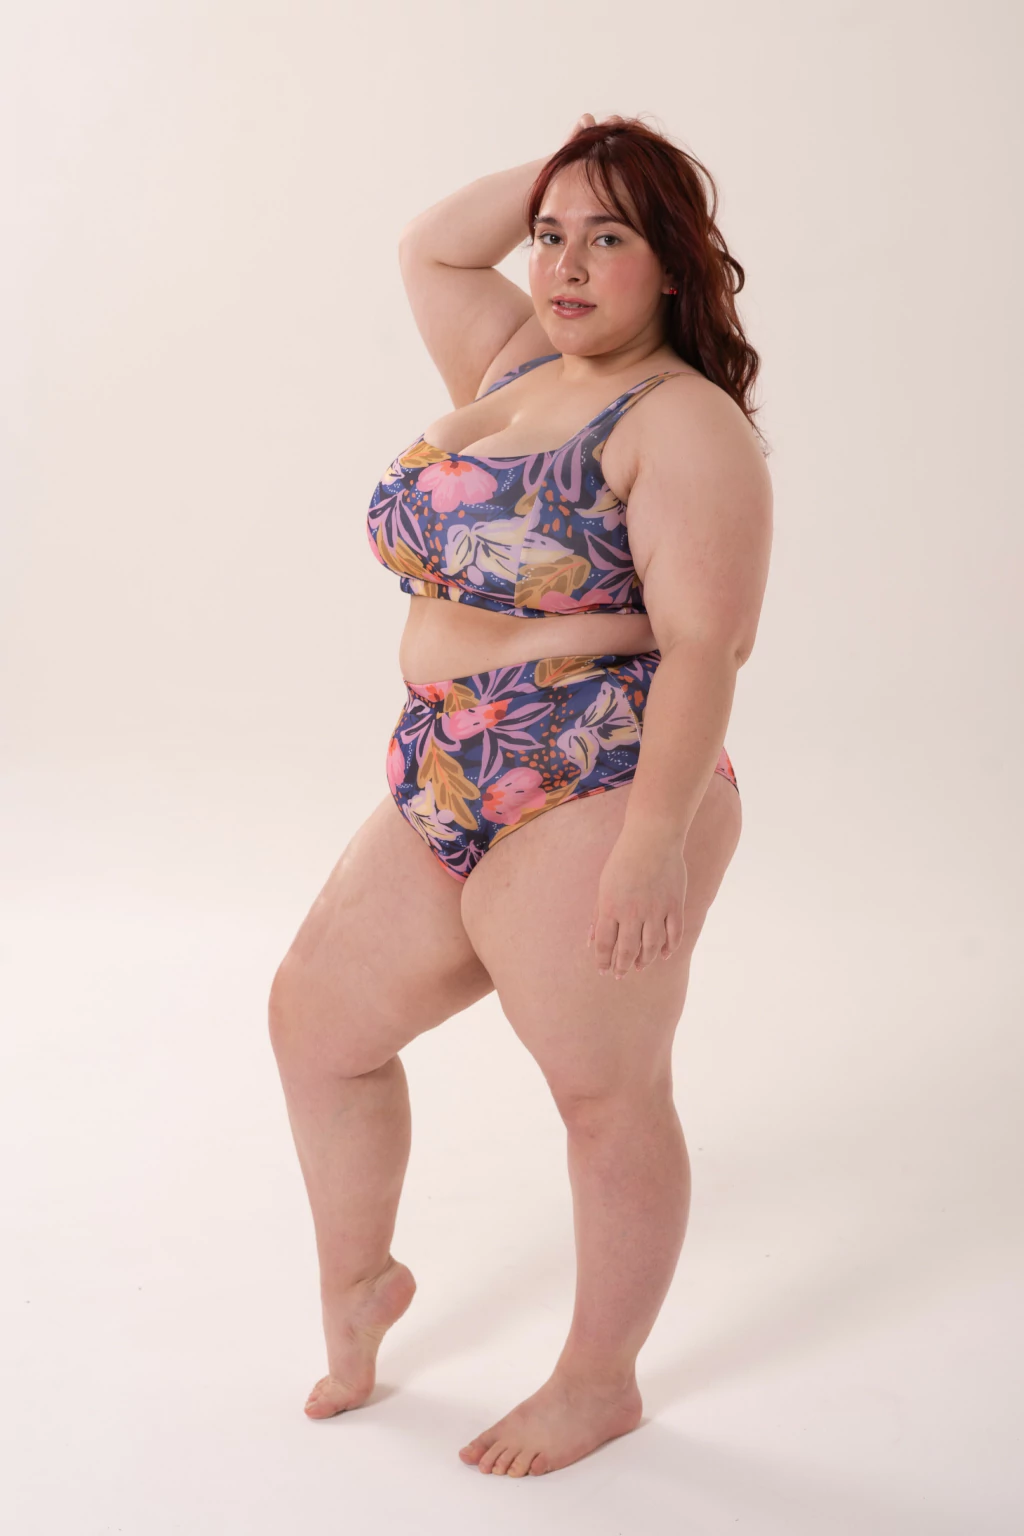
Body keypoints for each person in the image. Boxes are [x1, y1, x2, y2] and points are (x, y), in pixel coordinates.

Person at [268, 112, 773, 1478]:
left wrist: (654, 842)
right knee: (316, 1024)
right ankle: (361, 1287)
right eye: (552, 234)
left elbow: (710, 647)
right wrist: (576, 152)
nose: (566, 263)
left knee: (604, 1095)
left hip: (602, 768)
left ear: (674, 262)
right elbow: (433, 248)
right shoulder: (518, 361)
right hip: (449, 756)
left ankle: (600, 1382)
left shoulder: (681, 422)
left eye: (611, 236)